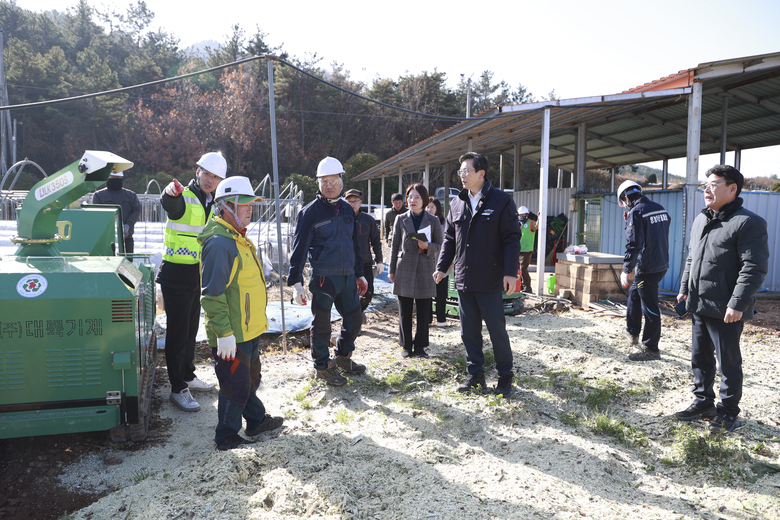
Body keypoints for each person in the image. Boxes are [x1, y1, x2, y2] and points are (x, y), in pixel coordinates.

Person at [675, 165, 768, 433]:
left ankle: (728, 412)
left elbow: (754, 268)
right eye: (706, 184)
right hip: (699, 302)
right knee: (700, 357)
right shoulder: (701, 219)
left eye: (713, 184)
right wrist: (684, 288)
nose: (706, 189)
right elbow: (691, 258)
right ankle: (703, 402)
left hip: (726, 307)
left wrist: (738, 303)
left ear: (732, 188)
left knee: (728, 362)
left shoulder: (748, 223)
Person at [199, 176, 284, 450]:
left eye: (251, 204)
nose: (250, 209)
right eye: (244, 204)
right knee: (235, 385)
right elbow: (212, 295)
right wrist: (224, 334)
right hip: (233, 333)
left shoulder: (237, 237)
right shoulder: (220, 244)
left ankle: (256, 420)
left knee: (249, 379)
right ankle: (226, 435)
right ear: (226, 206)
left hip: (249, 329)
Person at [433, 152, 521, 397]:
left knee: (496, 330)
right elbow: (450, 238)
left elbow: (512, 239)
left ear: (481, 174)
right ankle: (475, 375)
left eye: (466, 171)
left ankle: (505, 377)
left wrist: (510, 272)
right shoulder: (457, 202)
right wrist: (441, 267)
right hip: (463, 277)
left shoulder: (501, 201)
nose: (461, 175)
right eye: (460, 172)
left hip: (490, 278)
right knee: (468, 331)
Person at [287, 157, 368, 386]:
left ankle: (343, 357)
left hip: (347, 277)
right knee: (322, 324)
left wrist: (359, 273)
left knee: (354, 319)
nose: (329, 185)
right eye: (324, 181)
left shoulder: (347, 209)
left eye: (333, 180)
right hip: (324, 278)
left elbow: (355, 245)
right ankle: (322, 367)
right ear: (318, 183)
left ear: (342, 181)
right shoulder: (309, 213)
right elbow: (299, 249)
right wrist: (297, 283)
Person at [157, 152, 226, 412]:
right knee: (177, 333)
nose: (210, 180)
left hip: (196, 274)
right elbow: (171, 205)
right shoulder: (184, 196)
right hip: (176, 274)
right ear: (197, 172)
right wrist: (168, 192)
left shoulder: (211, 201)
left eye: (216, 177)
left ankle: (187, 374)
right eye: (207, 174)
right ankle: (177, 388)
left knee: (190, 329)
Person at [617, 180, 671, 362]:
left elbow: (634, 244)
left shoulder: (636, 212)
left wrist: (627, 269)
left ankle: (651, 348)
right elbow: (655, 233)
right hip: (661, 263)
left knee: (650, 307)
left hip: (647, 268)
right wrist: (632, 220)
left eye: (624, 203)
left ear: (626, 198)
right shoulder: (659, 208)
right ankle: (632, 332)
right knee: (634, 295)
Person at [389, 184, 442, 358]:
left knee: (423, 310)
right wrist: (391, 269)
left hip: (426, 268)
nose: (412, 200)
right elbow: (394, 245)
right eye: (410, 197)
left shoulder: (433, 220)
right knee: (404, 310)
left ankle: (420, 347)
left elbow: (440, 245)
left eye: (417, 197)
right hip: (404, 267)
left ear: (424, 200)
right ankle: (406, 345)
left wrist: (428, 246)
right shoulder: (401, 219)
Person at [344, 189, 384, 321]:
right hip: (346, 264)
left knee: (368, 293)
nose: (352, 204)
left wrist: (379, 261)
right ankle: (354, 320)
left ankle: (360, 311)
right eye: (349, 201)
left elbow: (376, 242)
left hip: (365, 262)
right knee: (349, 294)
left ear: (360, 202)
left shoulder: (368, 220)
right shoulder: (341, 219)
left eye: (355, 201)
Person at [91, 171, 142, 253]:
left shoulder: (130, 195)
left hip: (126, 239)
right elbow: (97, 215)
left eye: (117, 178)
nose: (115, 180)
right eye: (112, 178)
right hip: (106, 240)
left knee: (127, 264)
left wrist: (128, 225)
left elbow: (137, 210)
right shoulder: (99, 196)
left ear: (121, 178)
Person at [427, 197, 449, 327]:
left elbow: (452, 242)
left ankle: (441, 319)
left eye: (432, 207)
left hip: (441, 261)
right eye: (427, 207)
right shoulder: (423, 222)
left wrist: (451, 260)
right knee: (427, 294)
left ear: (438, 209)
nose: (429, 209)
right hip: (426, 263)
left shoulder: (445, 223)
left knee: (441, 293)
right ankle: (427, 319)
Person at [517, 206, 539, 293]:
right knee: (517, 269)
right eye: (520, 215)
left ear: (527, 215)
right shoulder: (517, 224)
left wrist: (539, 218)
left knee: (523, 269)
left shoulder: (531, 223)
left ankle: (527, 286)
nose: (521, 216)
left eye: (523, 215)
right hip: (518, 249)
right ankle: (521, 286)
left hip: (527, 250)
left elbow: (537, 226)